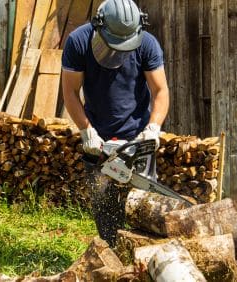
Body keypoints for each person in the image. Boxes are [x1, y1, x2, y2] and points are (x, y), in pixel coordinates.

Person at [61, 0, 169, 247]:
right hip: (97, 137)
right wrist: (86, 130)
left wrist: (153, 129)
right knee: (106, 212)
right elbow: (70, 92)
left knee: (142, 208)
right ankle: (111, 257)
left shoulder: (147, 44)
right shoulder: (78, 42)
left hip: (137, 135)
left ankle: (142, 260)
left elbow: (160, 90)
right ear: (99, 26)